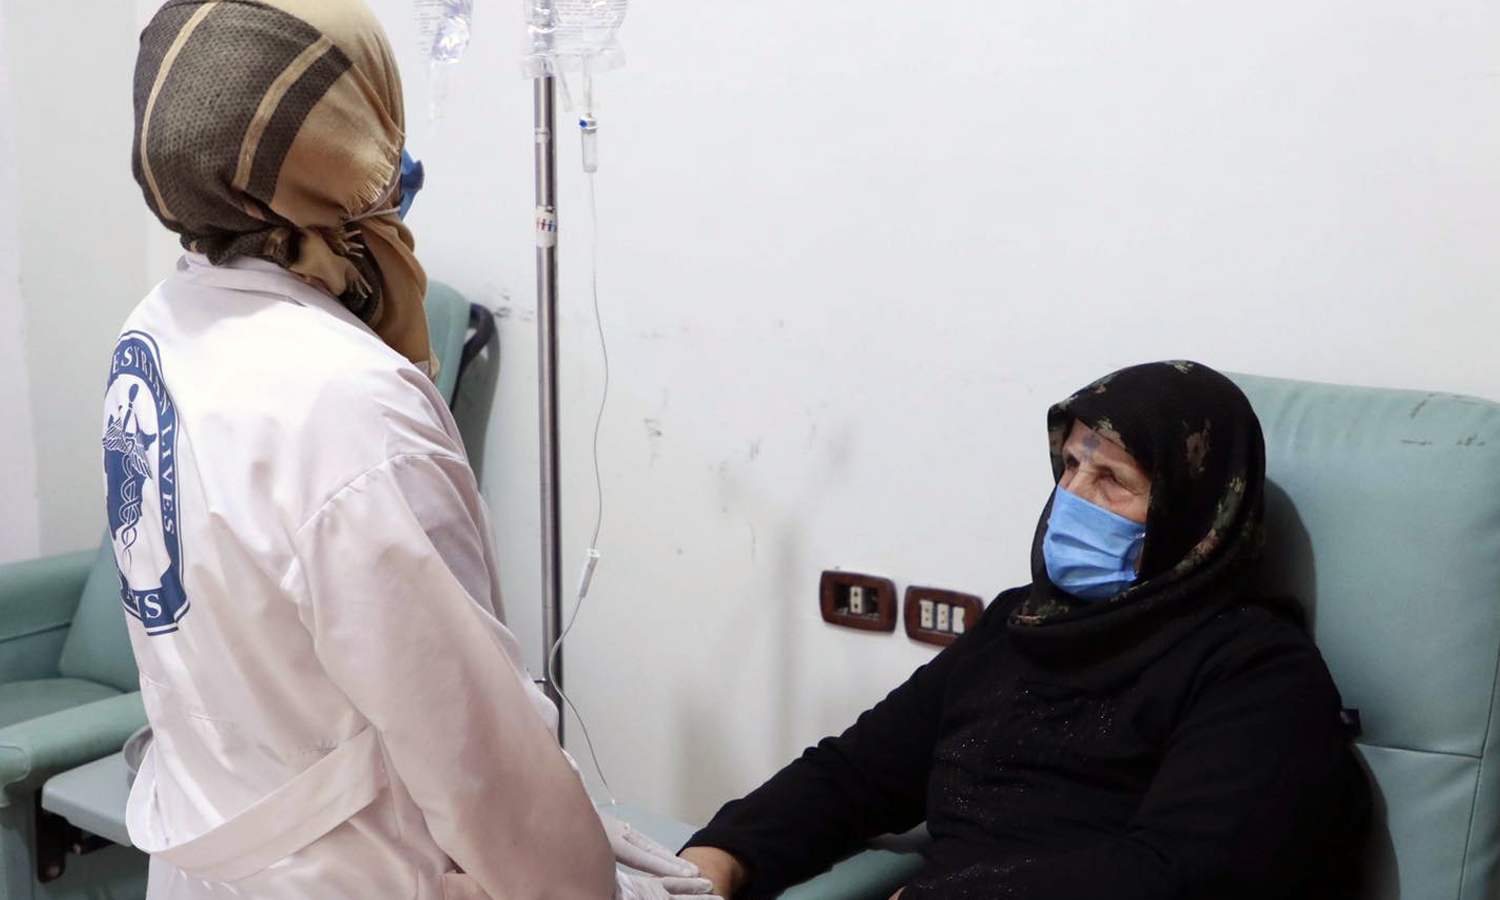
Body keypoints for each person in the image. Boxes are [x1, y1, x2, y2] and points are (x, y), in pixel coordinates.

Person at [107, 2, 713, 899]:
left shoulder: (153, 331)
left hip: (212, 851)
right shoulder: (350, 407)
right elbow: (476, 761)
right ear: (342, 142)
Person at [680, 361, 1371, 900]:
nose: (1071, 498)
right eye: (1071, 464)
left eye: (1112, 480)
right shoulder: (1021, 626)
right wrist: (721, 855)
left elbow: (1178, 875)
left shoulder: (1254, 671)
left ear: (1193, 515)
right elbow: (856, 772)